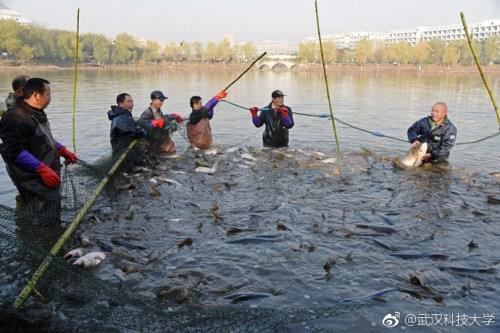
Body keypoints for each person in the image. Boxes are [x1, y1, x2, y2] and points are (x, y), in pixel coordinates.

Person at [0, 78, 77, 224]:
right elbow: (13, 150)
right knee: (39, 217)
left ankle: (53, 235)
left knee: (51, 211)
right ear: (36, 95)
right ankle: (41, 240)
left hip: (49, 172)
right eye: (48, 94)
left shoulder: (38, 112)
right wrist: (40, 168)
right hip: (32, 179)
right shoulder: (15, 117)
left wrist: (62, 150)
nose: (50, 98)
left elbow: (44, 137)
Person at [139, 90, 182, 155]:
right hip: (156, 144)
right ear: (153, 100)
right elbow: (141, 123)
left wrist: (172, 116)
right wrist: (152, 123)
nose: (162, 102)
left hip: (163, 140)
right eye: (160, 100)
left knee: (173, 153)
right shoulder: (147, 113)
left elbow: (162, 118)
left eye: (163, 100)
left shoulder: (158, 109)